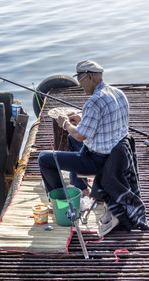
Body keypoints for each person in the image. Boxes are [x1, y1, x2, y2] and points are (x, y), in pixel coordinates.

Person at [38, 60, 129, 196]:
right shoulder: (118, 94)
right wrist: (82, 119)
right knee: (71, 139)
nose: (80, 85)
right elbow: (108, 122)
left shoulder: (94, 102)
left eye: (80, 79)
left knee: (44, 158)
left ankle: (61, 199)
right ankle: (81, 188)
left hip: (98, 161)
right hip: (118, 154)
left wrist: (65, 123)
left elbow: (80, 135)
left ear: (90, 76)